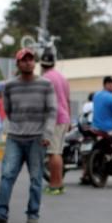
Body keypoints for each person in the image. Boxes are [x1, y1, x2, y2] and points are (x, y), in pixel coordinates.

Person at [0, 48, 56, 223]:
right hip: (15, 137)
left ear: (35, 63)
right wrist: (18, 125)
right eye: (24, 60)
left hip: (37, 138)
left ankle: (33, 213)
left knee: (35, 177)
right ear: (18, 64)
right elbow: (8, 110)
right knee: (7, 175)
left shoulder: (46, 84)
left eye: (31, 59)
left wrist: (47, 133)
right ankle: (1, 213)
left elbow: (51, 112)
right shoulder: (10, 85)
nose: (28, 62)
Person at [41, 50, 71, 195]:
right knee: (58, 151)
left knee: (53, 153)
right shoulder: (62, 78)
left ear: (41, 63)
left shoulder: (44, 78)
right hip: (64, 118)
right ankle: (59, 184)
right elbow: (67, 99)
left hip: (54, 119)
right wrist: (69, 118)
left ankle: (54, 185)